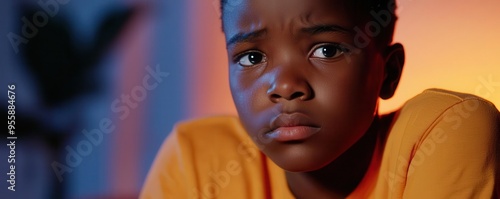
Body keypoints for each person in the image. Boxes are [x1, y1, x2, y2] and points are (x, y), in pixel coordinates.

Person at [140, 0, 500, 198]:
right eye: (252, 57)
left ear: (388, 72)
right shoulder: (196, 160)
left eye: (326, 49)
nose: (284, 87)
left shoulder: (443, 132)